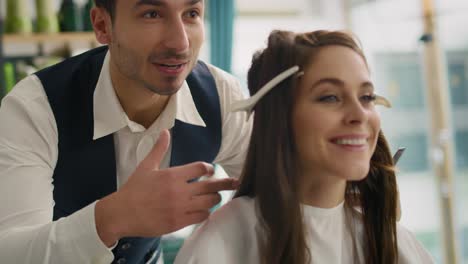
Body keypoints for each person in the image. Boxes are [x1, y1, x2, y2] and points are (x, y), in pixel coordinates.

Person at [0, 0, 252, 263]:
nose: (181, 44)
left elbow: (280, 203)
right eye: (152, 14)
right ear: (102, 26)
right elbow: (10, 253)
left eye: (191, 14)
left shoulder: (223, 98)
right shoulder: (35, 107)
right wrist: (111, 219)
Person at [174, 30, 434, 264]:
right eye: (330, 97)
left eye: (366, 97)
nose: (360, 114)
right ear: (278, 116)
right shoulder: (222, 245)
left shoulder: (392, 241)